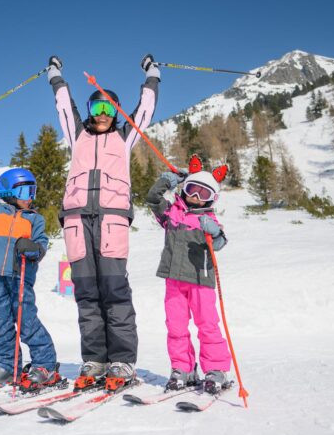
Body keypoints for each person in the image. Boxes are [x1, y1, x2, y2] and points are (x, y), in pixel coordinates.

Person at [47, 54, 160, 391]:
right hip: (77, 224)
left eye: (109, 111)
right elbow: (64, 106)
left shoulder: (124, 139)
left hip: (111, 224)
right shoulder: (76, 137)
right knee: (86, 295)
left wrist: (152, 74)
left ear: (116, 115)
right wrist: (56, 75)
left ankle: (122, 361)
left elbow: (145, 107)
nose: (101, 116)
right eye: (96, 109)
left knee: (115, 293)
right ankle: (95, 360)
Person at [0, 168, 60, 392]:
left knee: (27, 322)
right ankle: (8, 366)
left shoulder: (35, 219)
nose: (30, 197)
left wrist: (33, 248)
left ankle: (44, 365)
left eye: (32, 191)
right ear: (9, 192)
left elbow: (42, 245)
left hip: (20, 276)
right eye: (25, 191)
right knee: (0, 323)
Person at [146, 155, 232, 394]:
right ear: (185, 189)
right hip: (174, 281)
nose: (196, 197)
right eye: (193, 190)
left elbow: (220, 244)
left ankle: (216, 369)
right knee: (176, 327)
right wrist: (167, 180)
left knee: (207, 325)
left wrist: (214, 233)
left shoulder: (208, 219)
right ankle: (183, 368)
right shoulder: (172, 215)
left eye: (203, 194)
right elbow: (152, 199)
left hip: (199, 281)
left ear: (211, 198)